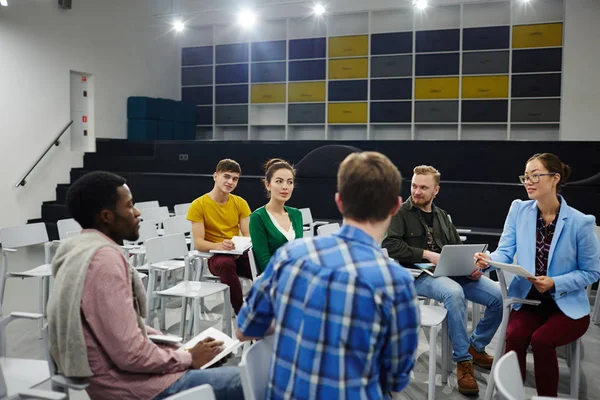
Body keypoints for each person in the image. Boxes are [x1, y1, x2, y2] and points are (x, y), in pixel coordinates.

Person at [237, 151, 420, 399]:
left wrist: (296, 321)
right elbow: (396, 379)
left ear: (339, 201)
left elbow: (244, 329)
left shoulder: (290, 256)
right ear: (396, 206)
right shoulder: (397, 283)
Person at [46, 171, 243, 400]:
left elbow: (125, 331)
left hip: (134, 375)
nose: (137, 213)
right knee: (246, 382)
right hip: (133, 386)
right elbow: (130, 354)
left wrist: (184, 350)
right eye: (129, 206)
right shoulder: (103, 262)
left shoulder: (81, 248)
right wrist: (189, 358)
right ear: (107, 217)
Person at [475, 153, 600, 397]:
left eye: (535, 176)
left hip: (566, 306)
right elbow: (505, 251)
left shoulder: (580, 222)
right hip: (529, 300)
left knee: (542, 341)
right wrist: (488, 261)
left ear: (555, 179)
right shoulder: (519, 210)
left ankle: (546, 398)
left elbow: (592, 272)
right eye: (526, 176)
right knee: (514, 337)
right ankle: (512, 395)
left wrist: (556, 282)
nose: (528, 182)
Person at [382, 165, 502, 395]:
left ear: (436, 190)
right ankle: (463, 361)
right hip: (419, 275)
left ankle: (476, 346)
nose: (417, 191)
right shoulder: (399, 212)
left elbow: (457, 245)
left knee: (497, 297)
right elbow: (390, 245)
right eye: (414, 186)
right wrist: (427, 255)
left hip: (451, 271)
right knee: (454, 293)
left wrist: (470, 265)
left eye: (423, 187)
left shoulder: (441, 215)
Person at [187, 159, 252, 314]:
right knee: (226, 263)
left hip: (237, 252)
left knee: (260, 262)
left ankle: (270, 306)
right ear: (215, 176)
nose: (230, 182)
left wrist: (241, 246)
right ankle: (240, 312)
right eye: (227, 176)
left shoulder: (240, 203)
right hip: (215, 256)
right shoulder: (198, 205)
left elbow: (248, 234)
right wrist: (220, 246)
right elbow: (199, 243)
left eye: (235, 179)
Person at [249, 158, 303, 275]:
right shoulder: (257, 217)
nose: (285, 187)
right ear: (268, 185)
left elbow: (300, 252)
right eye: (279, 181)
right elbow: (264, 263)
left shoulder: (296, 214)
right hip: (274, 278)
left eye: (290, 182)